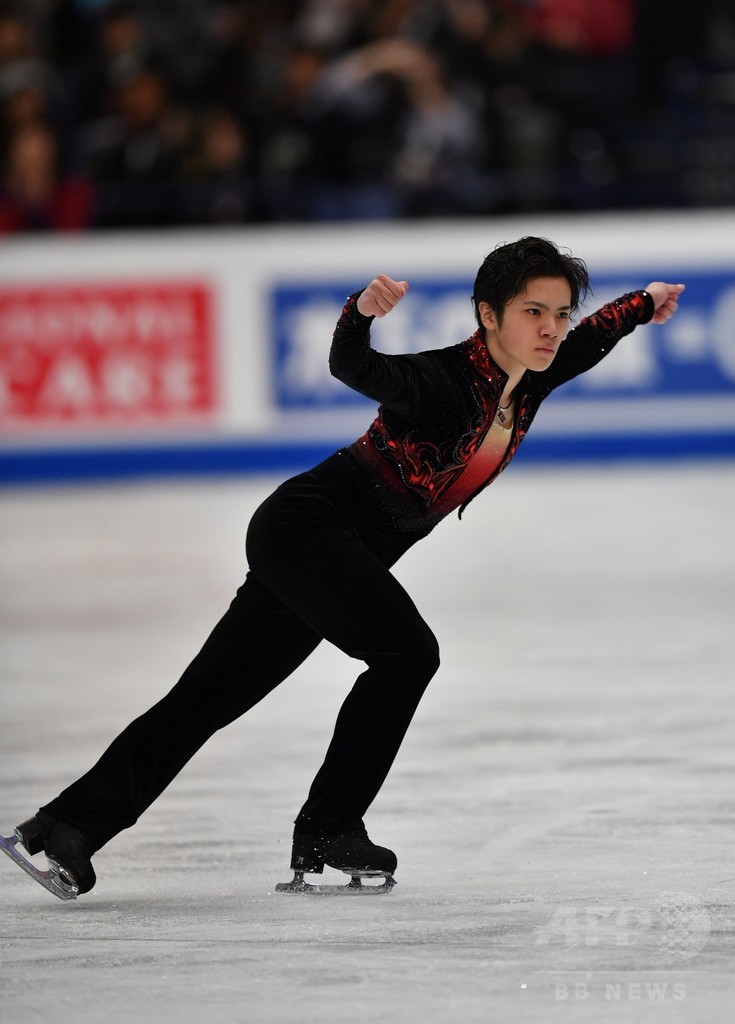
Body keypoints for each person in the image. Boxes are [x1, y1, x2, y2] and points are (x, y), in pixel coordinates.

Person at [4, 236, 684, 898]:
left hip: (327, 550)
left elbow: (592, 337)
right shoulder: (438, 379)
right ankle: (329, 827)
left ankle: (66, 827)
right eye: (533, 312)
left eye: (559, 312)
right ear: (488, 313)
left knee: (208, 697)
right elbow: (353, 367)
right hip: (305, 529)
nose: (551, 329)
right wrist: (358, 314)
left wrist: (644, 302)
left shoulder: (528, 383)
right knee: (406, 654)